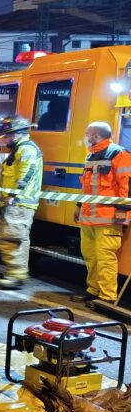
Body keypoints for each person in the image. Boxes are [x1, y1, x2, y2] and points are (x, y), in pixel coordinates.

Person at [70, 121, 131, 307]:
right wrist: (79, 206)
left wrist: (123, 211)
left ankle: (107, 296)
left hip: (109, 217)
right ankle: (93, 291)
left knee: (105, 258)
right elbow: (87, 186)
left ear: (96, 135)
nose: (85, 137)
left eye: (88, 134)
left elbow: (126, 185)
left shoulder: (118, 153)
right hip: (90, 217)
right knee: (90, 256)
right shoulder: (91, 155)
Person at [0, 115, 43, 289]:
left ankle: (15, 276)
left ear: (15, 135)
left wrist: (13, 195)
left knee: (11, 238)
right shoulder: (20, 149)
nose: (5, 140)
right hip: (17, 202)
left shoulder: (26, 150)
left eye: (6, 136)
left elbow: (25, 175)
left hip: (19, 203)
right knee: (16, 238)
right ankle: (15, 273)